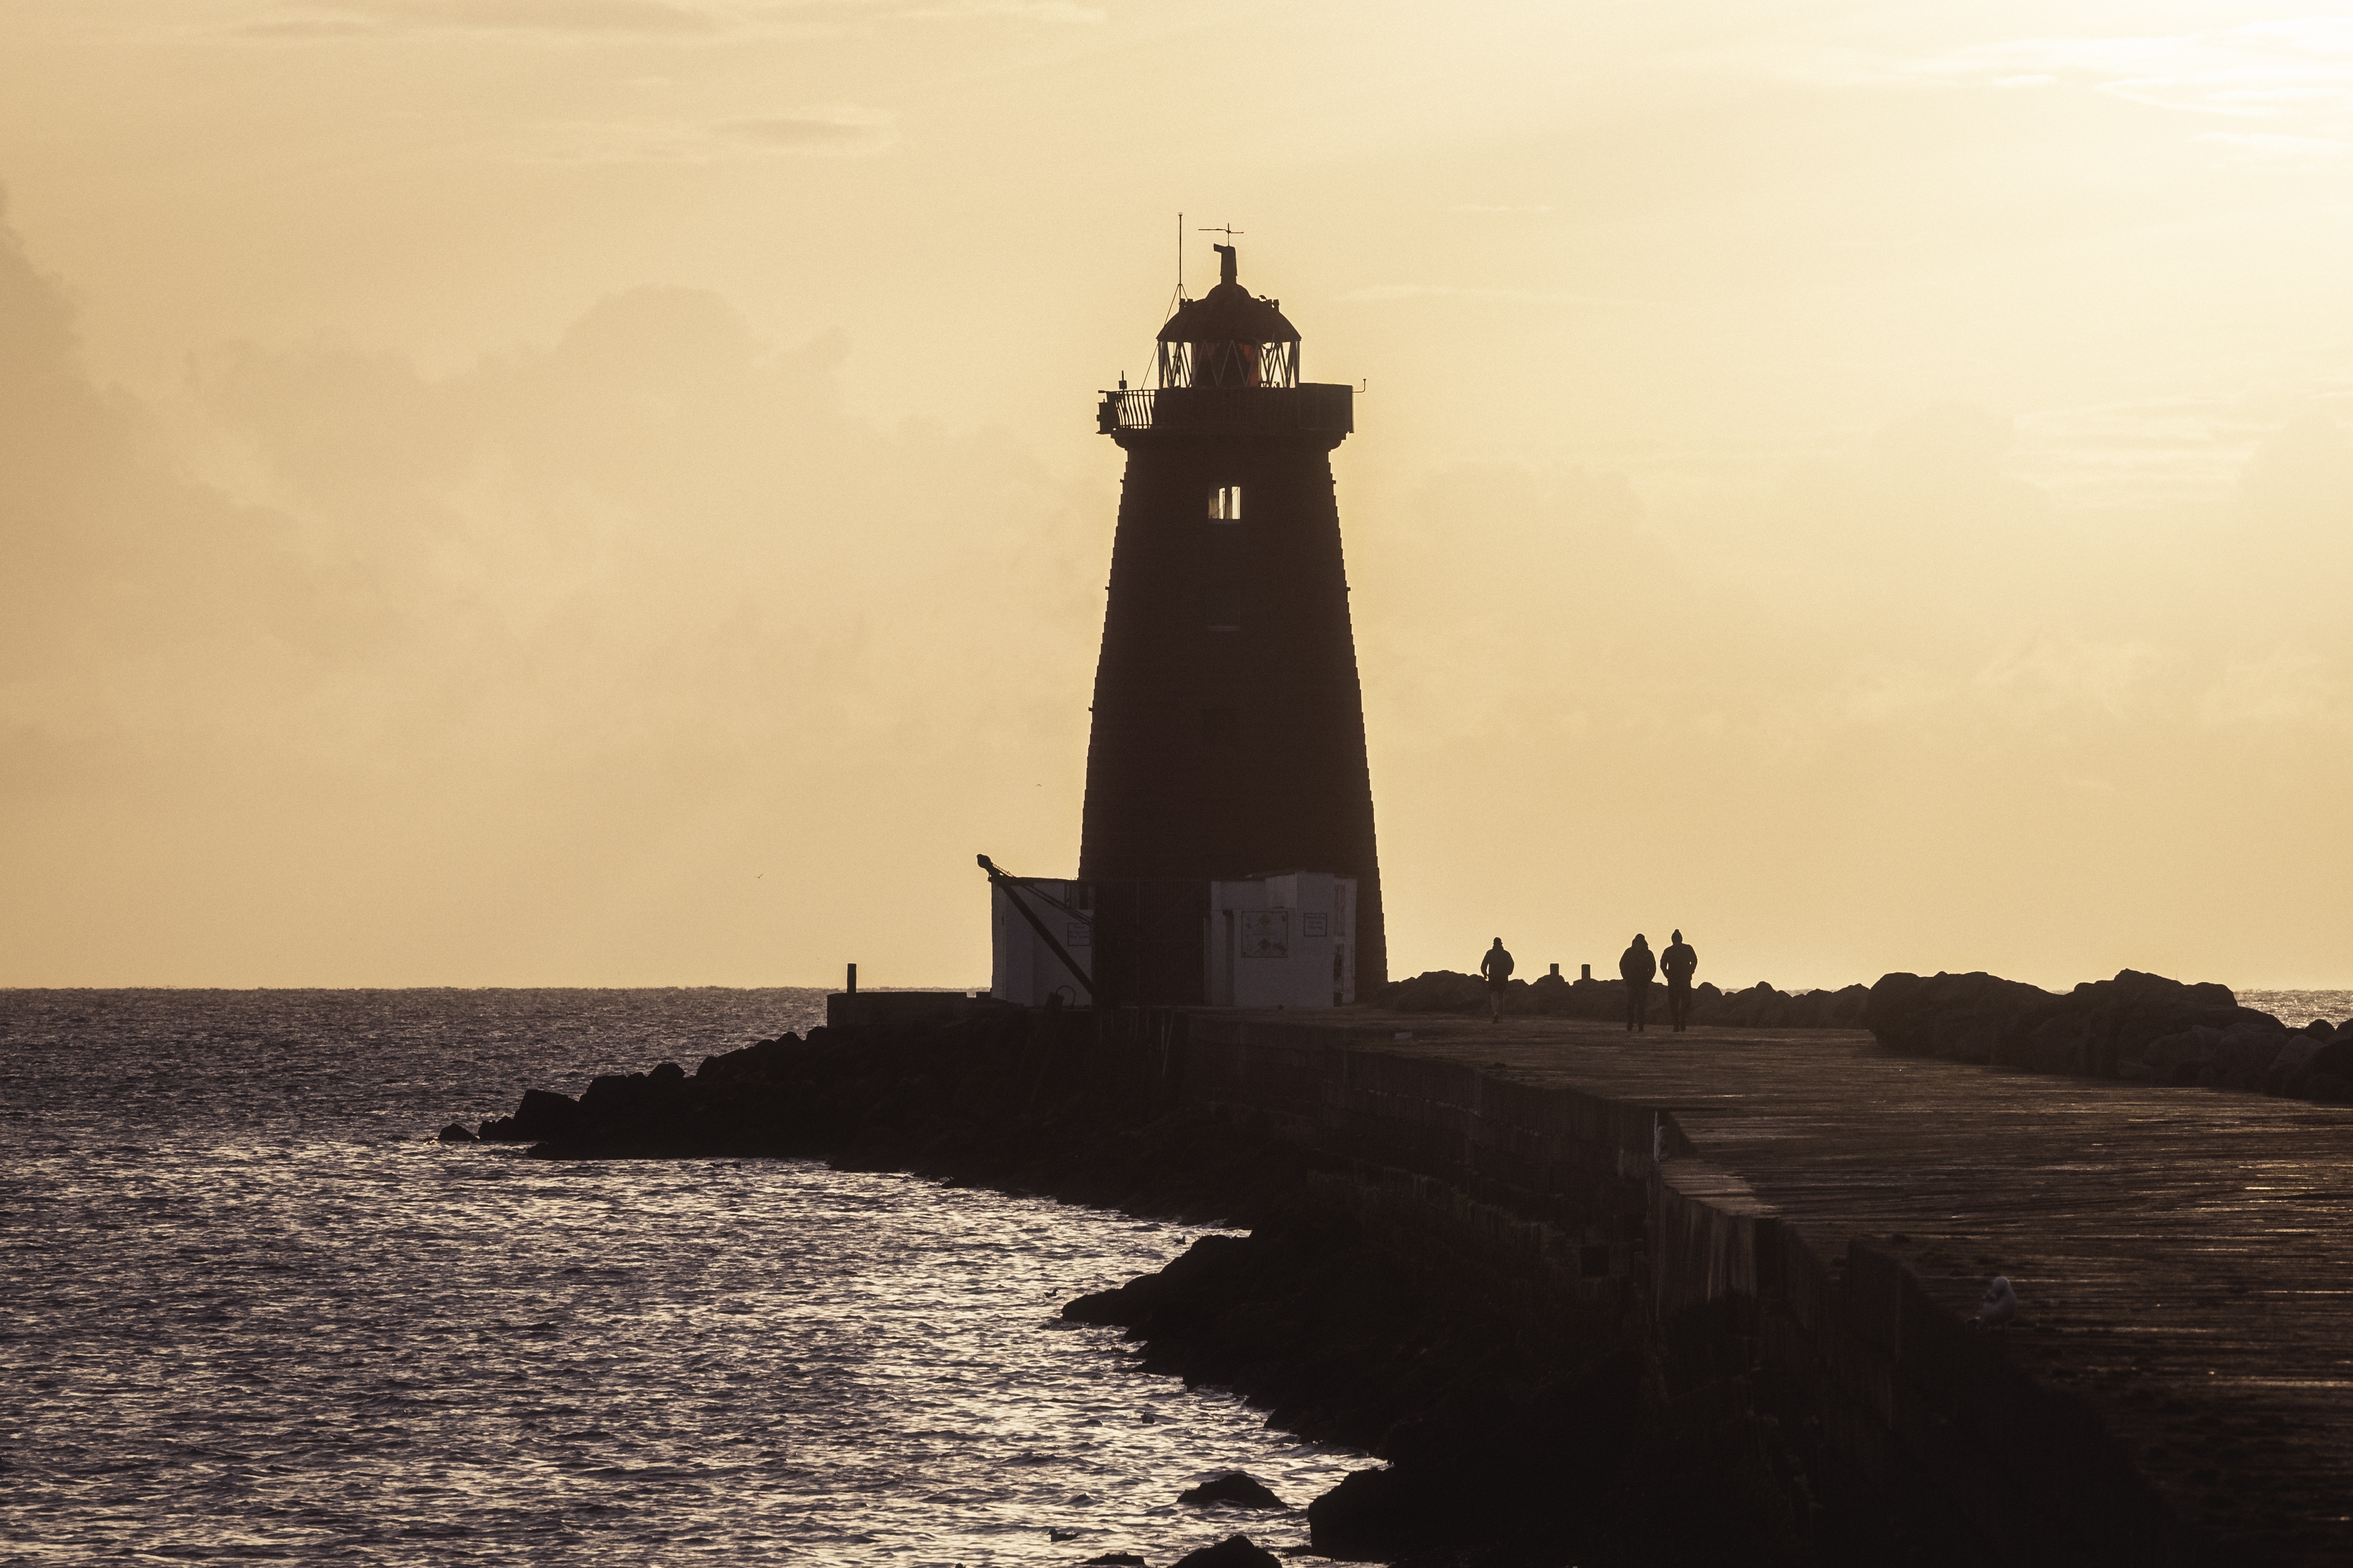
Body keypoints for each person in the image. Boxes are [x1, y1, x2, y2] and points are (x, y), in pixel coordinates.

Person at [1661, 929, 1698, 1032]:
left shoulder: (1669, 950)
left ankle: (1678, 1024)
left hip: (1676, 980)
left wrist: (1668, 974)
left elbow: (1663, 965)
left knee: (1675, 1003)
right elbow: (1695, 961)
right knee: (1684, 1002)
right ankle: (1680, 1023)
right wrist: (1690, 971)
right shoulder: (1687, 948)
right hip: (1682, 980)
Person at [1619, 933, 1656, 1033]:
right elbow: (1622, 964)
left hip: (1643, 984)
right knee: (1630, 1005)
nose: (1639, 944)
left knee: (1641, 1006)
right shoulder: (1629, 952)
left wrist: (1648, 979)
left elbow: (1653, 968)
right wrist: (1626, 977)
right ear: (1635, 942)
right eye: (1638, 942)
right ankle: (1630, 1023)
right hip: (1631, 983)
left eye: (1641, 942)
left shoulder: (1648, 954)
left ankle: (1641, 1026)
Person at [1480, 937, 1515, 1021]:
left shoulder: (1490, 953)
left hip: (1493, 978)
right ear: (1501, 944)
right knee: (1501, 996)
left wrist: (1485, 974)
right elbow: (1512, 964)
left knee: (1494, 996)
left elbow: (1484, 965)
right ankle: (1500, 1014)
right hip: (1503, 978)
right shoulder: (1506, 954)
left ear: (1494, 944)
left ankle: (1496, 1013)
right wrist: (1508, 973)